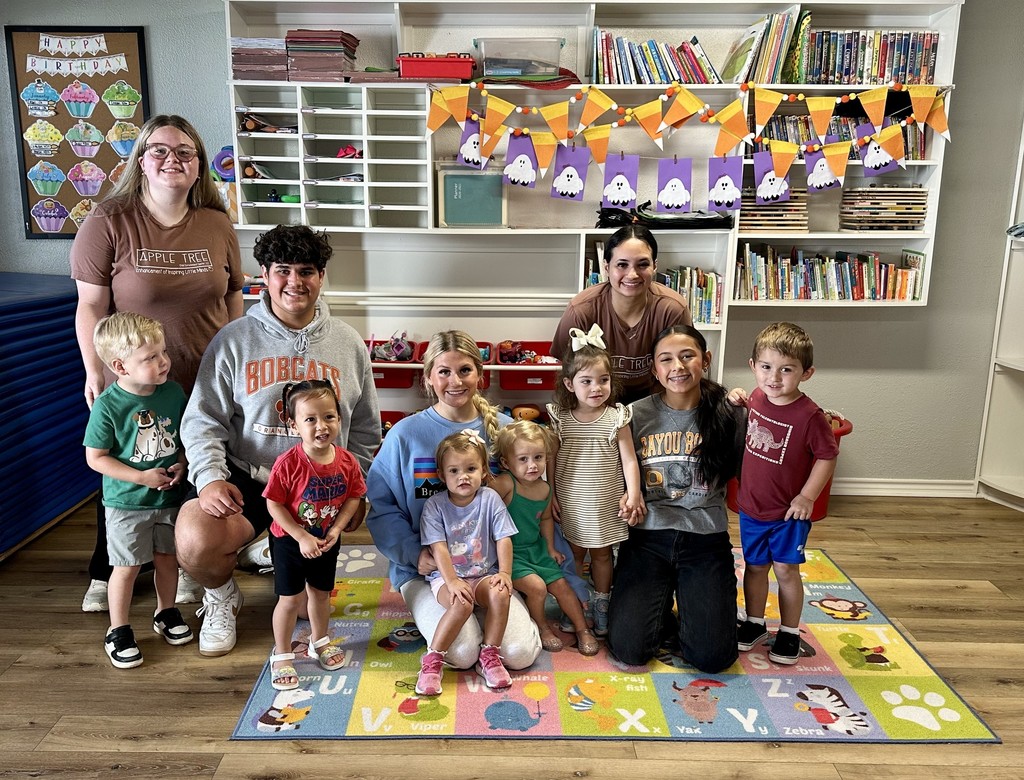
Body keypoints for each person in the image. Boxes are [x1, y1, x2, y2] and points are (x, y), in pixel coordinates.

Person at [176, 224, 380, 657]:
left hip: (318, 487)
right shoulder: (233, 340)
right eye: (283, 270)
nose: (294, 282)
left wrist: (356, 486)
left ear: (321, 277)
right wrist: (209, 477)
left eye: (306, 271)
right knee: (195, 539)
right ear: (265, 275)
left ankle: (270, 546)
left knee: (309, 610)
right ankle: (221, 594)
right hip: (249, 479)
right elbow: (202, 419)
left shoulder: (348, 343)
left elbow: (364, 427)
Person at [72, 114, 244, 613]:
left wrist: (235, 359)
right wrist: (96, 370)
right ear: (142, 161)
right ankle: (109, 569)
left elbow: (233, 296)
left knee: (192, 467)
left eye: (185, 152)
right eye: (160, 150)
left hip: (204, 377)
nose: (173, 160)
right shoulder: (109, 219)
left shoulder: (216, 222)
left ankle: (184, 563)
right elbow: (90, 305)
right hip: (135, 382)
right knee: (128, 468)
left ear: (199, 166)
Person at [366, 330, 546, 672]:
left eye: (464, 370)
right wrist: (413, 553)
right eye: (444, 372)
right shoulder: (404, 435)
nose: (455, 381)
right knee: (461, 654)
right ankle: (458, 624)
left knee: (520, 653)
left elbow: (531, 498)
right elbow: (381, 506)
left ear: (480, 374)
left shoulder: (506, 432)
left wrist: (516, 569)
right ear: (428, 378)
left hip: (489, 569)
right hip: (428, 573)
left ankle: (492, 618)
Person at [606, 325, 745, 673]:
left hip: (705, 537)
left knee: (712, 658)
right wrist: (625, 497)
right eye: (666, 359)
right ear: (654, 369)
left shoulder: (729, 412)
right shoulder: (633, 415)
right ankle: (665, 598)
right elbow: (615, 471)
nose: (677, 367)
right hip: (647, 536)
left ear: (705, 360)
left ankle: (690, 598)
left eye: (687, 356)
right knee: (629, 649)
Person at [82, 312, 192, 668]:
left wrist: (183, 462)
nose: (164, 362)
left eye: (163, 352)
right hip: (127, 504)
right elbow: (96, 458)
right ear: (120, 366)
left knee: (168, 559)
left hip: (169, 497)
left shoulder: (173, 393)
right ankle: (118, 629)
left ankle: (166, 612)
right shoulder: (108, 405)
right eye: (150, 358)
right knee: (127, 567)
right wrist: (141, 477)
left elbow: (183, 439)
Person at [729, 322, 839, 665]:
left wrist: (807, 496)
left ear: (806, 373)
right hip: (752, 508)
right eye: (766, 367)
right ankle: (755, 622)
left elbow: (827, 455)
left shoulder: (810, 416)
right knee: (754, 567)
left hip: (787, 515)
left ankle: (790, 631)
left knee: (786, 571)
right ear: (753, 366)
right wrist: (735, 397)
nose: (774, 378)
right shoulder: (756, 397)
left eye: (786, 370)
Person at [263, 380, 366, 689]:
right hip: (289, 540)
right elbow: (273, 503)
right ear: (294, 425)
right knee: (290, 599)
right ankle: (282, 654)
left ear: (339, 418)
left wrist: (336, 528)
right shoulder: (288, 464)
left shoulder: (347, 461)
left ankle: (319, 641)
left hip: (326, 539)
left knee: (321, 594)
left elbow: (354, 496)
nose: (321, 426)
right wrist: (300, 536)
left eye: (329, 416)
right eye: (310, 419)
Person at [546, 324, 644, 637]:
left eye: (603, 380)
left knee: (602, 555)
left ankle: (601, 602)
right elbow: (551, 460)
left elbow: (629, 460)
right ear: (569, 384)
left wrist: (634, 493)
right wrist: (551, 496)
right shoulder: (561, 418)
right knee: (574, 555)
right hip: (572, 503)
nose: (596, 388)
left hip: (605, 503)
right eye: (586, 381)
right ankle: (576, 603)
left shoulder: (616, 418)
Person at [416, 431, 516, 694]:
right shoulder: (434, 506)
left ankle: (489, 656)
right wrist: (452, 581)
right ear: (442, 475)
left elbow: (504, 538)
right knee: (461, 603)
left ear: (483, 470)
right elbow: (438, 548)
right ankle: (432, 661)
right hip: (446, 576)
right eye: (454, 471)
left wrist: (505, 573)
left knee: (501, 593)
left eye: (471, 469)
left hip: (483, 573)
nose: (463, 476)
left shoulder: (490, 499)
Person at [551, 225, 692, 404]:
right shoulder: (581, 310)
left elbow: (683, 369)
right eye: (622, 265)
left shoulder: (672, 309)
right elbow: (568, 372)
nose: (632, 274)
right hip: (597, 400)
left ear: (655, 266)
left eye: (643, 264)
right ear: (606, 267)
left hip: (655, 399)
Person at [491, 421, 599, 656]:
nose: (532, 465)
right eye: (523, 459)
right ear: (506, 463)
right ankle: (542, 627)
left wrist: (550, 548)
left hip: (536, 549)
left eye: (538, 457)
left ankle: (583, 629)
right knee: (538, 588)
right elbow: (482, 506)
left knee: (562, 586)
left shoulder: (545, 488)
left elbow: (547, 519)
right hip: (510, 554)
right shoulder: (505, 483)